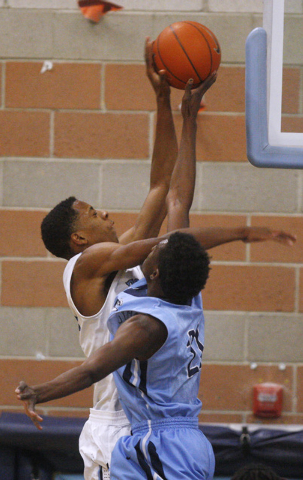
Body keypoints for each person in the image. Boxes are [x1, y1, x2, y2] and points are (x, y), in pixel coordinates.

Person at [16, 70, 296, 479]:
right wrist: (241, 233)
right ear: (78, 239)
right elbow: (169, 222)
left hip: (152, 429)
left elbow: (164, 188)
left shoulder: (149, 284)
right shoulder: (84, 266)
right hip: (118, 426)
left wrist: (168, 105)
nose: (107, 213)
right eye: (94, 213)